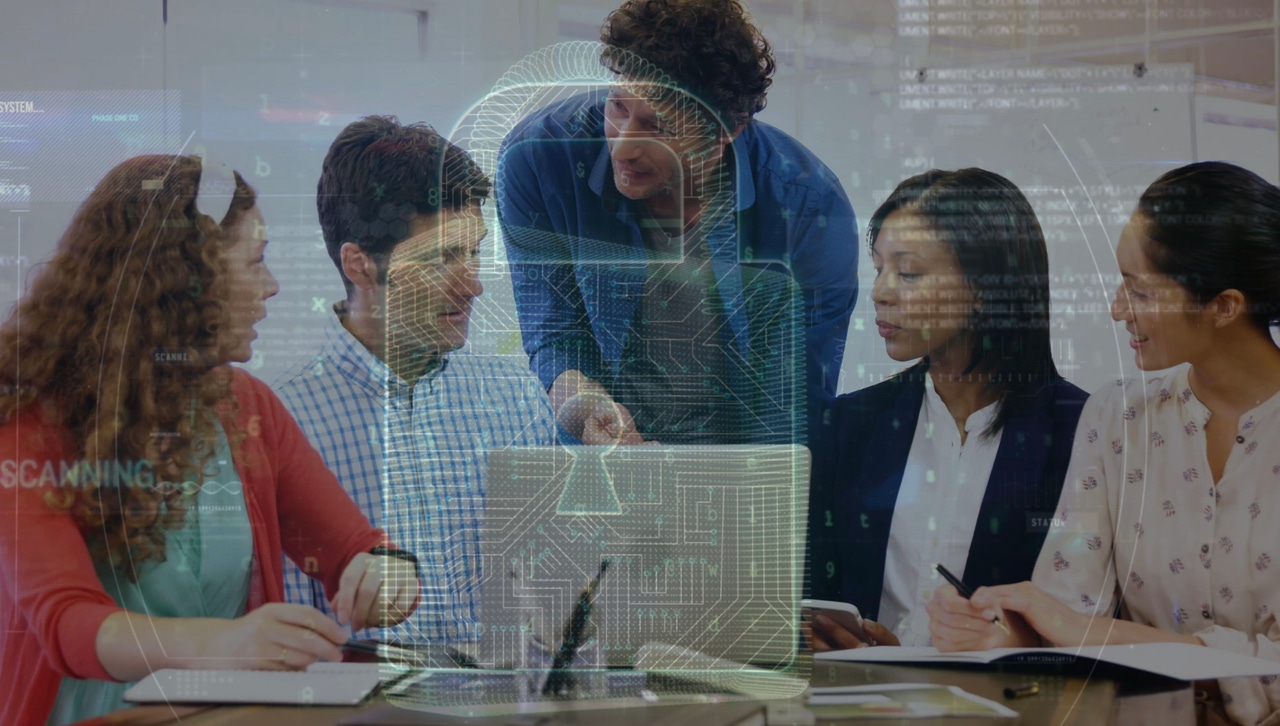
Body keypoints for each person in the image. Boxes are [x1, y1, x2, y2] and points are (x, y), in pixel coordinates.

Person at [0, 154, 420, 726]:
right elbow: (67, 623)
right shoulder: (29, 425)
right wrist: (224, 644)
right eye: (255, 263)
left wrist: (386, 572)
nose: (271, 288)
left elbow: (354, 546)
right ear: (183, 286)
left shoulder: (247, 406)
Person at [926, 162, 1280, 726]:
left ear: (1225, 306)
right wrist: (998, 625)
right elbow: (1068, 611)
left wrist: (1093, 633)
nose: (1118, 308)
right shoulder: (1119, 416)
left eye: (1139, 290)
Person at [497, 0, 858, 446]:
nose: (624, 148)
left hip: (740, 471)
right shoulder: (537, 160)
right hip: (603, 465)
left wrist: (734, 496)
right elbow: (554, 329)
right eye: (618, 107)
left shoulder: (808, 206)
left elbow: (793, 403)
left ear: (728, 130)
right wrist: (586, 405)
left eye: (659, 126)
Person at [275, 116, 555, 645]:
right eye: (441, 259)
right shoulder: (286, 420)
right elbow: (296, 643)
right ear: (360, 265)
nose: (473, 285)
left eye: (473, 251)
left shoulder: (515, 398)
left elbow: (553, 596)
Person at [806, 168, 1088, 650]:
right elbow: (824, 594)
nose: (881, 291)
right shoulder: (850, 423)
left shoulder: (1082, 431)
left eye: (909, 272)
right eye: (879, 268)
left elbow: (1085, 622)